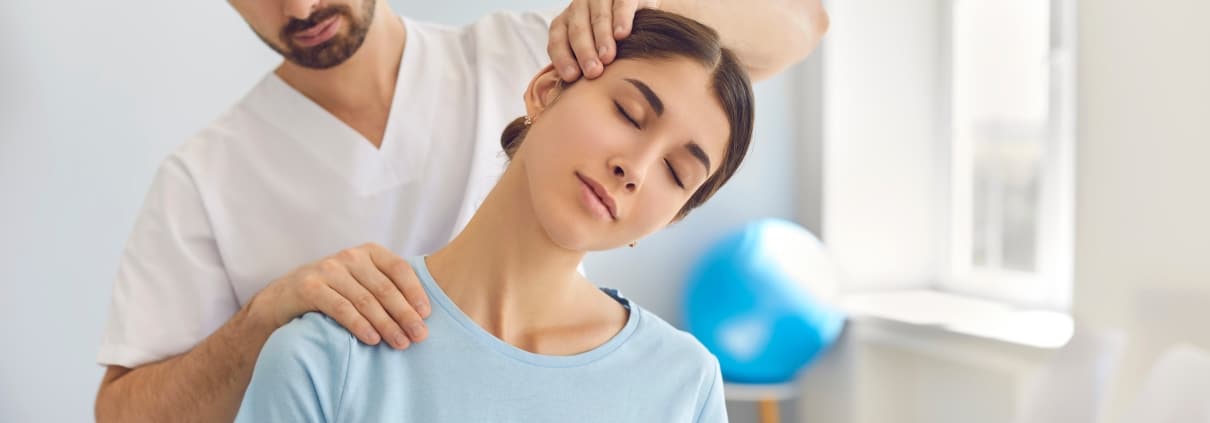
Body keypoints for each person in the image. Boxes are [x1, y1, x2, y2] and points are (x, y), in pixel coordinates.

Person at [93, 0, 829, 421]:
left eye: (672, 170)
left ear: (545, 87)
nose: (300, 5)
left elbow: (792, 28)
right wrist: (264, 320)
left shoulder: (529, 50)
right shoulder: (208, 184)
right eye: (630, 115)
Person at [235, 9, 752, 422]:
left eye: (676, 173)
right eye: (628, 114)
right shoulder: (327, 358)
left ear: (671, 217)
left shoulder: (684, 383)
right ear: (546, 91)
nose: (634, 168)